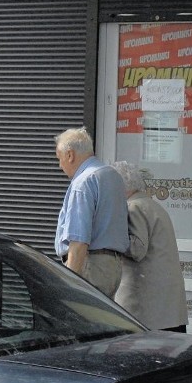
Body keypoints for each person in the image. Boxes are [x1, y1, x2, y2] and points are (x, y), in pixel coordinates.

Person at [111, 161, 188, 332]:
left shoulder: (133, 208)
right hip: (166, 308)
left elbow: (137, 249)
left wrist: (110, 235)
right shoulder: (151, 205)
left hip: (146, 307)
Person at [54, 128, 129, 298]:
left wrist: (68, 282)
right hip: (113, 266)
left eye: (59, 159)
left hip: (90, 265)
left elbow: (79, 241)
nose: (60, 165)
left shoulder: (83, 183)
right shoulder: (112, 176)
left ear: (70, 155)